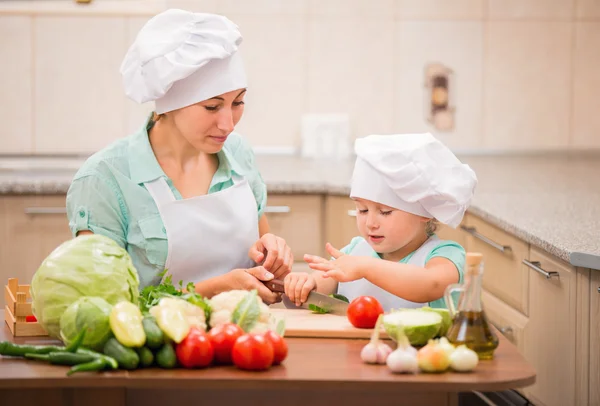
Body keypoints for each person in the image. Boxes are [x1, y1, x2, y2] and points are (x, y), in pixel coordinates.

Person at [65, 9, 293, 304]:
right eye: (212, 107)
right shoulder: (104, 179)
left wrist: (273, 257)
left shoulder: (238, 154)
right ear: (169, 105)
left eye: (238, 102)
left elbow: (263, 263)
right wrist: (215, 289)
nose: (229, 123)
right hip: (158, 348)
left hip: (244, 342)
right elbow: (101, 306)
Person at [283, 133, 477, 311]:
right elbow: (326, 282)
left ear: (425, 213)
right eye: (362, 210)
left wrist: (365, 268)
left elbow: (431, 284)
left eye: (385, 212)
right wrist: (308, 284)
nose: (370, 223)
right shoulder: (355, 250)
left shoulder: (445, 255)